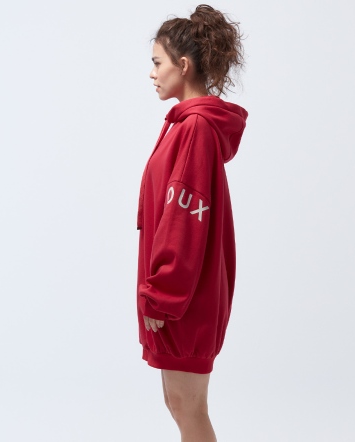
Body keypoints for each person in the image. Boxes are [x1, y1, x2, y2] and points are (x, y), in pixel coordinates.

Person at [136, 5, 248, 441]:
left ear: (183, 65)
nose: (152, 73)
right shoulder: (186, 126)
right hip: (180, 289)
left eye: (157, 62)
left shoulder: (195, 127)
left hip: (182, 293)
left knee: (188, 406)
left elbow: (184, 219)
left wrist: (162, 295)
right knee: (179, 403)